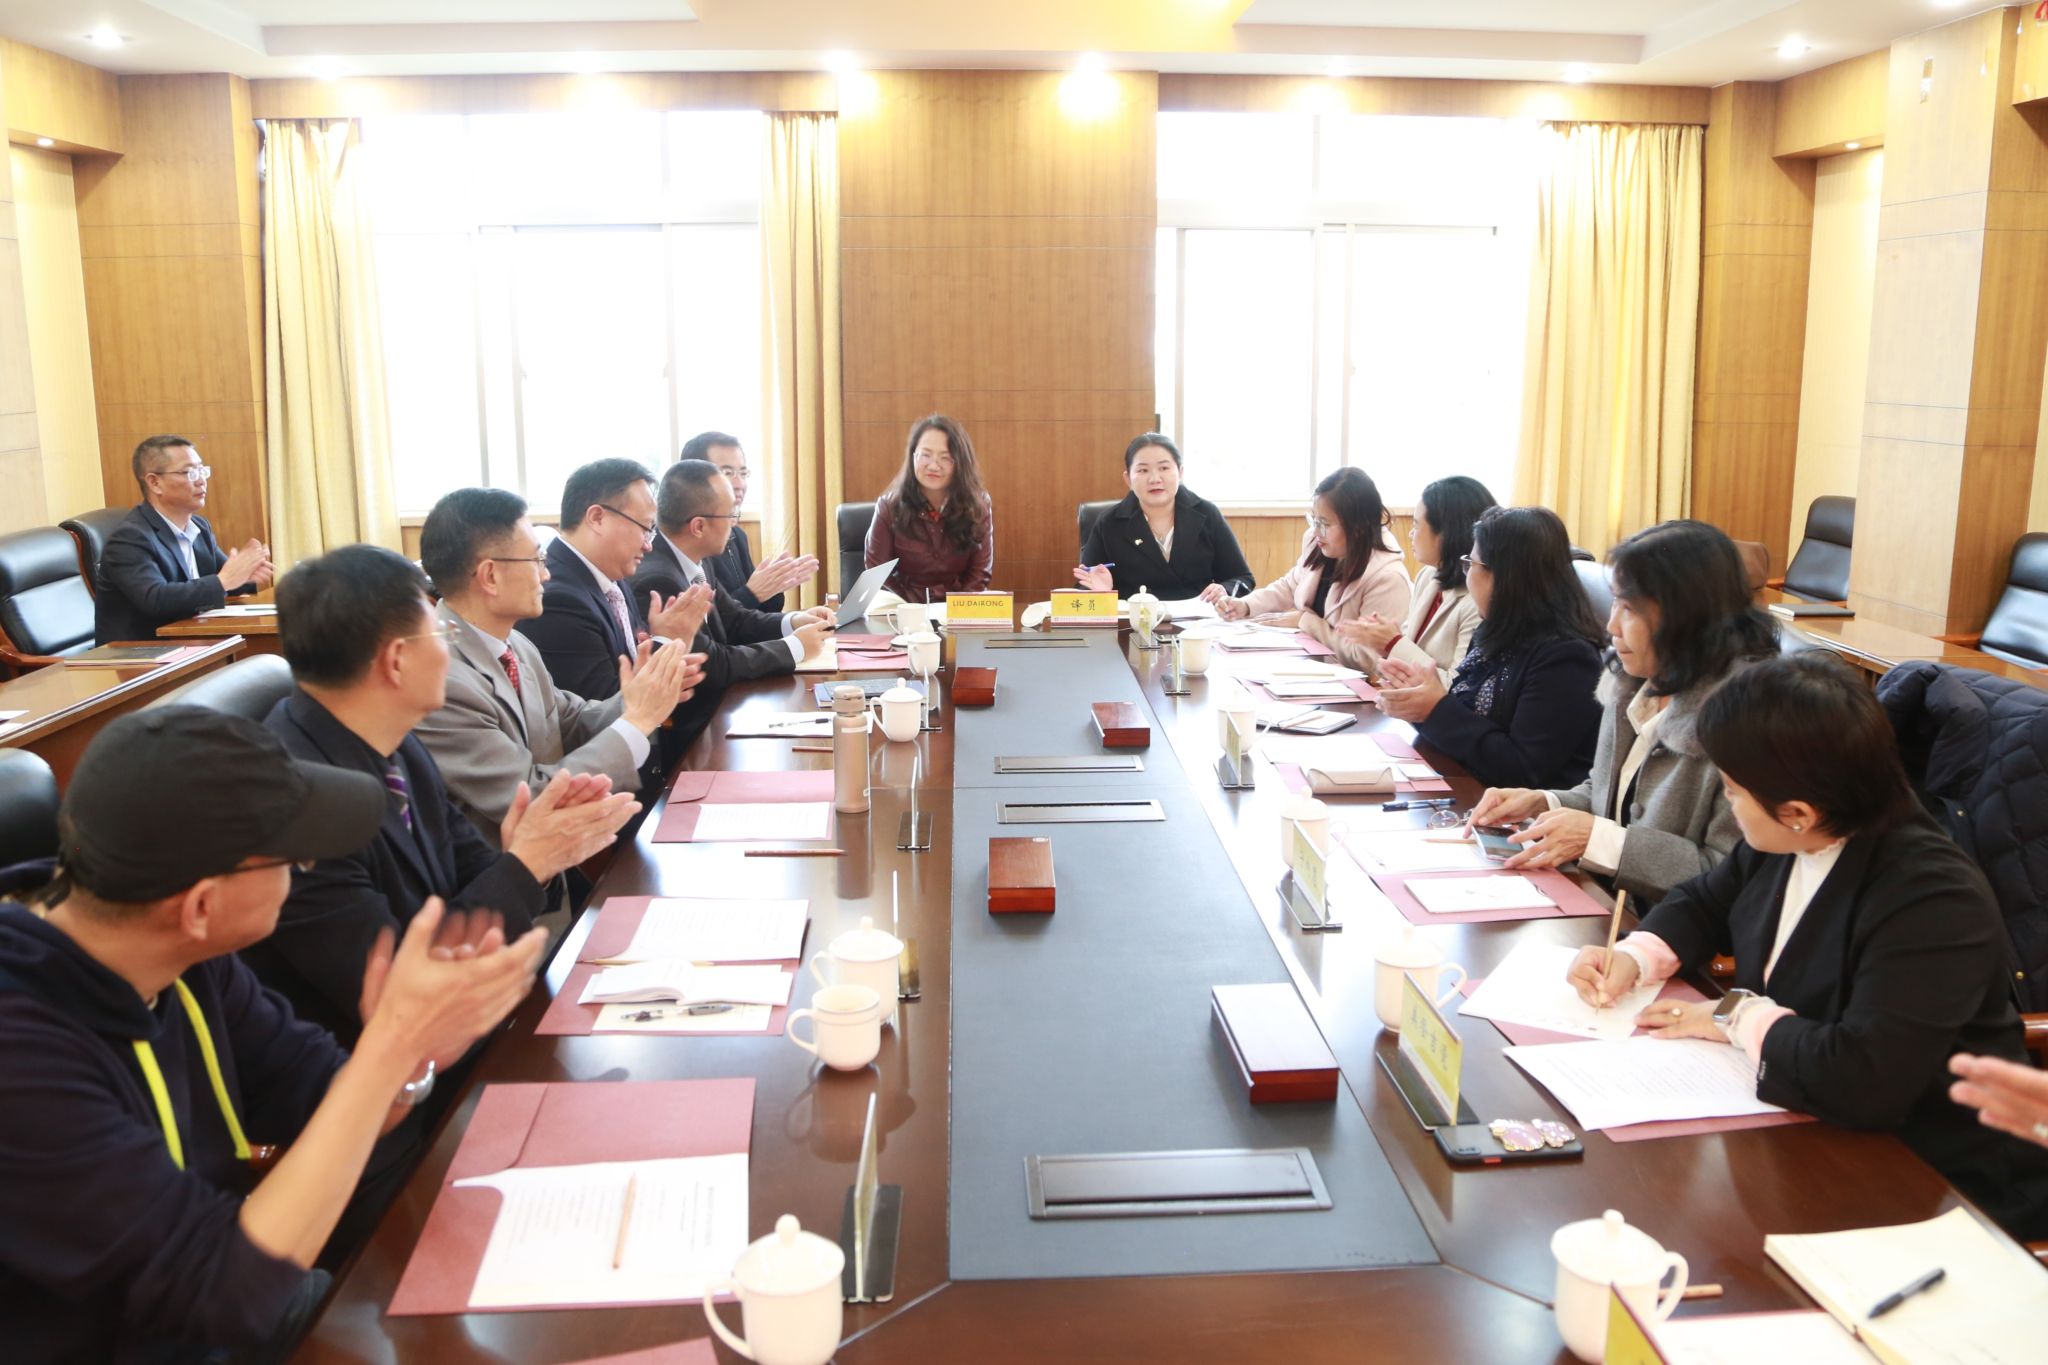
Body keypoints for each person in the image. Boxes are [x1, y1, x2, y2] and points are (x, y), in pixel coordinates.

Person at [0, 707, 548, 1362]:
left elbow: (320, 1089)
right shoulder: (22, 1056)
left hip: (233, 1295)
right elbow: (221, 1294)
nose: (308, 865)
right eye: (293, 855)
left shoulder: (184, 954)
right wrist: (389, 1051)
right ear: (201, 906)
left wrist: (411, 1058)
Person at [1567, 654, 2048, 1240]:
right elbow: (1704, 901)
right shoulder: (1793, 837)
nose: (1729, 804)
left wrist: (1735, 1015)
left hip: (1931, 1183)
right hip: (1799, 1124)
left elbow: (1864, 1077)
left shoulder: (1931, 897)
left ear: (1798, 812)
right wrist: (1635, 956)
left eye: (1733, 792)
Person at [252, 544, 640, 1044]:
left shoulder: (394, 741)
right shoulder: (299, 804)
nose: (449, 649)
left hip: (470, 1007)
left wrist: (531, 858)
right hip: (390, 1063)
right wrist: (527, 864)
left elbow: (472, 868)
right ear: (396, 661)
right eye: (440, 634)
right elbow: (399, 986)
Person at [1466, 520, 1778, 904]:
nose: (1612, 625)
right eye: (1614, 602)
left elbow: (1730, 875)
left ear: (1685, 617)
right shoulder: (1633, 683)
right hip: (1603, 905)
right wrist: (1543, 802)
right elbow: (1605, 796)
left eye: (1629, 608)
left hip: (1660, 929)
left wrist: (1600, 840)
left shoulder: (1746, 719)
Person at [414, 487, 703, 845]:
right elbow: (532, 797)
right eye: (536, 560)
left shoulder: (516, 644)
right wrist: (639, 719)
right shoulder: (440, 679)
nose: (546, 576)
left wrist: (641, 696)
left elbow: (572, 720)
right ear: (490, 575)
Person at [1378, 506, 1603, 789]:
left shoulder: (1567, 658)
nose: (1467, 575)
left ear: (1506, 577)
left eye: (1471, 564)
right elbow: (1461, 714)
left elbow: (1522, 769)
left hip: (1520, 809)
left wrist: (1435, 708)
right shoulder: (1497, 629)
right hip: (1465, 786)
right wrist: (1419, 700)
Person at [633, 460, 836, 744]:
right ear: (699, 526)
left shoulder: (698, 559)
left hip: (724, 712)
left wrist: (793, 621)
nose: (735, 522)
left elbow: (735, 620)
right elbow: (711, 663)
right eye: (730, 514)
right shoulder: (659, 580)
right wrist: (795, 647)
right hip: (691, 734)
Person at [514, 458, 715, 705]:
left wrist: (658, 640)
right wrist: (665, 641)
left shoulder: (613, 578)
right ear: (597, 518)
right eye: (645, 528)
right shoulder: (558, 599)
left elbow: (631, 667)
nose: (648, 545)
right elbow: (601, 708)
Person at [1218, 466, 1411, 669]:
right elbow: (1290, 585)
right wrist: (1245, 605)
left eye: (1325, 524)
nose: (1316, 531)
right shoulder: (1318, 544)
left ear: (1357, 527)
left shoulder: (1388, 578)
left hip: (1352, 681)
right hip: (1313, 666)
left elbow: (1367, 660)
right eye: (1314, 520)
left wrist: (1307, 622)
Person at [94, 434, 273, 645]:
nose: (201, 480)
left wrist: (244, 576)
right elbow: (156, 599)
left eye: (202, 470)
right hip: (142, 653)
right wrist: (225, 580)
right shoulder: (129, 539)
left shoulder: (199, 527)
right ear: (155, 483)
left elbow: (217, 582)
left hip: (191, 642)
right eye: (189, 472)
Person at [1337, 475, 1495, 684]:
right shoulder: (1428, 576)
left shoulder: (1477, 601)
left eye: (1417, 525)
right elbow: (1405, 649)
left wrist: (1393, 642)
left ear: (1446, 534)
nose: (1411, 533)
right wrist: (1381, 644)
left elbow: (1457, 688)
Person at [1072, 432, 1253, 603]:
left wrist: (1223, 590)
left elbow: (1242, 578)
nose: (1155, 479)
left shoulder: (1206, 514)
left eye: (1164, 468)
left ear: (1180, 472)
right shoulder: (1109, 523)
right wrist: (1101, 594)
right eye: (1143, 470)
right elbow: (1084, 586)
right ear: (1128, 479)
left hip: (1196, 621)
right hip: (1134, 621)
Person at [684, 430, 819, 612]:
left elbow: (757, 614)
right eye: (727, 473)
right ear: (694, 480)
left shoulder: (737, 535)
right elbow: (708, 622)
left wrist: (774, 586)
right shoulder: (690, 542)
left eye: (743, 473)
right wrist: (753, 592)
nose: (740, 484)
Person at [864, 414, 995, 601]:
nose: (933, 466)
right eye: (925, 455)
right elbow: (877, 573)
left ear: (960, 463)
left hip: (959, 609)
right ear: (913, 457)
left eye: (945, 458)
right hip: (905, 610)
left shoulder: (978, 505)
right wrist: (912, 607)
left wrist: (956, 609)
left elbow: (979, 574)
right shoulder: (889, 507)